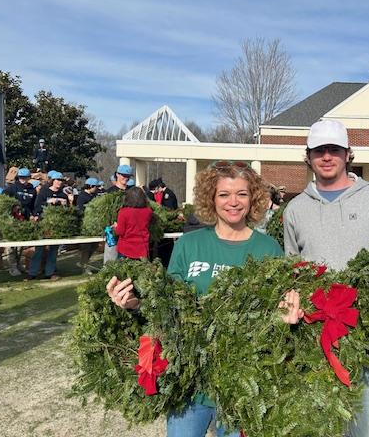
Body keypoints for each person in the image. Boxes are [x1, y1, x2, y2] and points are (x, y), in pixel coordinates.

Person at [107, 160, 282, 437]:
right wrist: (135, 303)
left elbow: (276, 315)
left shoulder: (269, 249)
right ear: (211, 198)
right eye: (224, 194)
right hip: (189, 383)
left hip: (242, 385)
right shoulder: (189, 245)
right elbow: (169, 304)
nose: (233, 202)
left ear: (254, 198)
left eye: (242, 194)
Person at [282, 119, 369, 437]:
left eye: (333, 149)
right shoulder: (295, 209)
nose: (326, 156)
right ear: (307, 156)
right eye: (318, 150)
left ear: (348, 154)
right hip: (315, 334)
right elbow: (292, 267)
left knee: (365, 430)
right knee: (315, 426)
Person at [27, 171, 68, 281]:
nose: (59, 183)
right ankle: (32, 273)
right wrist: (49, 202)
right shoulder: (44, 192)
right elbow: (37, 207)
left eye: (61, 181)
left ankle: (50, 272)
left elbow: (67, 211)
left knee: (54, 249)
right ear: (52, 181)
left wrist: (65, 203)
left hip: (56, 225)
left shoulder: (63, 194)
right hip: (44, 223)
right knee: (39, 248)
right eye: (58, 180)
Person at [4, 168, 37, 276]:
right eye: (21, 178)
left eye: (25, 178)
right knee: (12, 245)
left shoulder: (32, 190)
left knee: (21, 245)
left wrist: (33, 215)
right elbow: (2, 201)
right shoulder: (12, 188)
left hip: (25, 220)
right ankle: (12, 267)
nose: (23, 180)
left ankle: (18, 265)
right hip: (13, 220)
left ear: (29, 178)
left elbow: (33, 205)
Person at [113, 186, 153, 260]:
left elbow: (120, 231)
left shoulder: (123, 212)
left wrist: (116, 226)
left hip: (125, 249)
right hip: (142, 247)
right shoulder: (148, 212)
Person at [104, 164, 133, 263]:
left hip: (128, 231)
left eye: (128, 176)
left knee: (126, 260)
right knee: (111, 259)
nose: (126, 178)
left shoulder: (132, 192)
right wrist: (111, 224)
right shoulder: (109, 192)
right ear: (117, 174)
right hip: (113, 230)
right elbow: (105, 212)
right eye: (123, 175)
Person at [77, 177, 100, 274]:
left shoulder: (94, 195)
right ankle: (84, 266)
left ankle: (84, 263)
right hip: (85, 225)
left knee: (94, 245)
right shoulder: (82, 196)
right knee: (86, 247)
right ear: (90, 186)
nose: (97, 188)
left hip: (94, 224)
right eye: (96, 187)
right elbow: (80, 210)